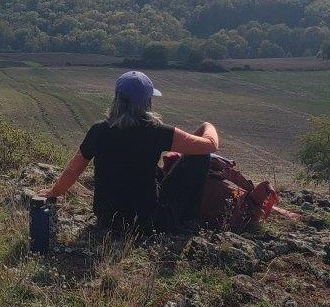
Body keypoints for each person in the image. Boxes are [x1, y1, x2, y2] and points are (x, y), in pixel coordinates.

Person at [41, 70, 219, 233]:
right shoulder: (158, 131)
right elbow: (210, 145)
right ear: (147, 102)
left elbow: (73, 170)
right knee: (201, 157)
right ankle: (188, 220)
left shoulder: (99, 130)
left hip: (106, 218)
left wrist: (54, 192)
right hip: (147, 221)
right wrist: (207, 125)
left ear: (117, 99)